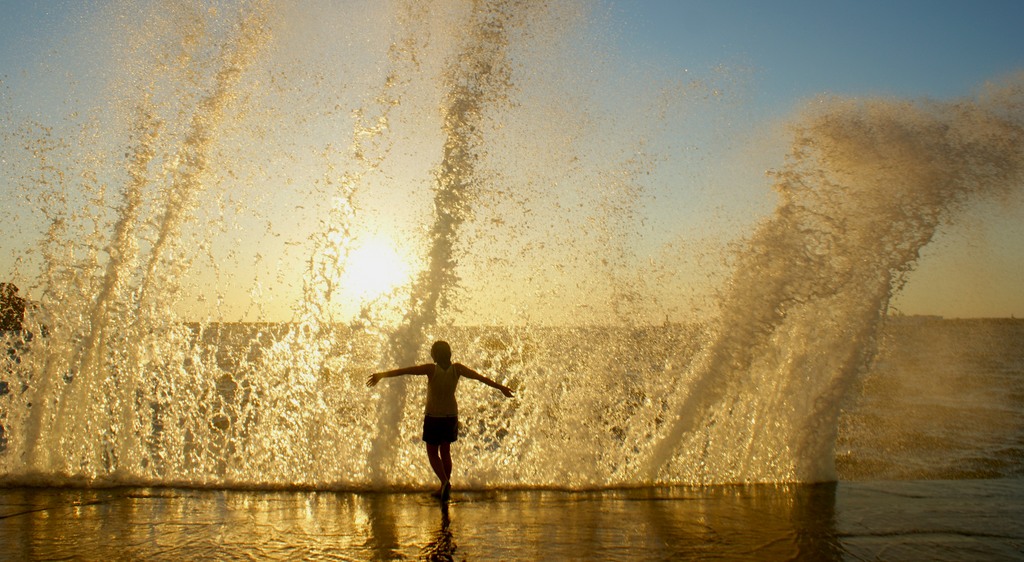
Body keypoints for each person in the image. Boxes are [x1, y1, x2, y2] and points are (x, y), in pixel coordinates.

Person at [366, 340, 514, 499]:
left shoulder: (431, 369)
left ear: (435, 354)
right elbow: (480, 378)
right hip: (451, 416)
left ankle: (444, 482)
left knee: (432, 452)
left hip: (434, 416)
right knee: (445, 451)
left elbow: (406, 371)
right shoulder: (457, 369)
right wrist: (501, 388)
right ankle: (444, 485)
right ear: (448, 353)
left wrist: (381, 375)